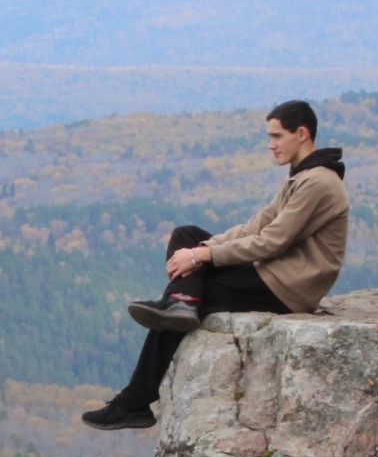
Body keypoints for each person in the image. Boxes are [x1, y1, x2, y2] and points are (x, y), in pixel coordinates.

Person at [81, 99, 349, 430]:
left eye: (277, 136)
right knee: (186, 235)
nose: (271, 145)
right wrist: (202, 247)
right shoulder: (299, 178)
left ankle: (133, 402)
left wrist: (200, 257)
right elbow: (255, 227)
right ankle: (181, 303)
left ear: (302, 134)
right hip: (272, 272)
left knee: (182, 304)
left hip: (287, 285)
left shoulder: (318, 183)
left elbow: (272, 241)